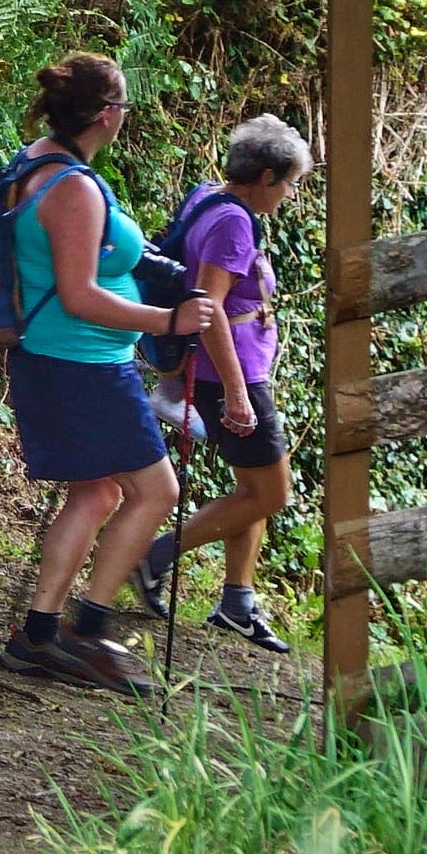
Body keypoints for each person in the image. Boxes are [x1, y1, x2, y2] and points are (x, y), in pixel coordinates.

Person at [0, 54, 223, 695]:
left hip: (70, 360)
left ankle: (41, 635)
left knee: (97, 494)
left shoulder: (40, 159)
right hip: (82, 364)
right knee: (157, 492)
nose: (124, 118)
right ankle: (88, 629)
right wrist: (165, 321)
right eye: (122, 107)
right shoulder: (71, 186)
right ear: (104, 114)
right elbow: (79, 294)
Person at [132, 114, 312, 652]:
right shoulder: (234, 223)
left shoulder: (207, 196)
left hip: (231, 370)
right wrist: (236, 393)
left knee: (251, 490)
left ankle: (237, 603)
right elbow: (207, 306)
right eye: (289, 183)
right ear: (265, 175)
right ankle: (153, 556)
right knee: (272, 492)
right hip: (229, 374)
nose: (289, 195)